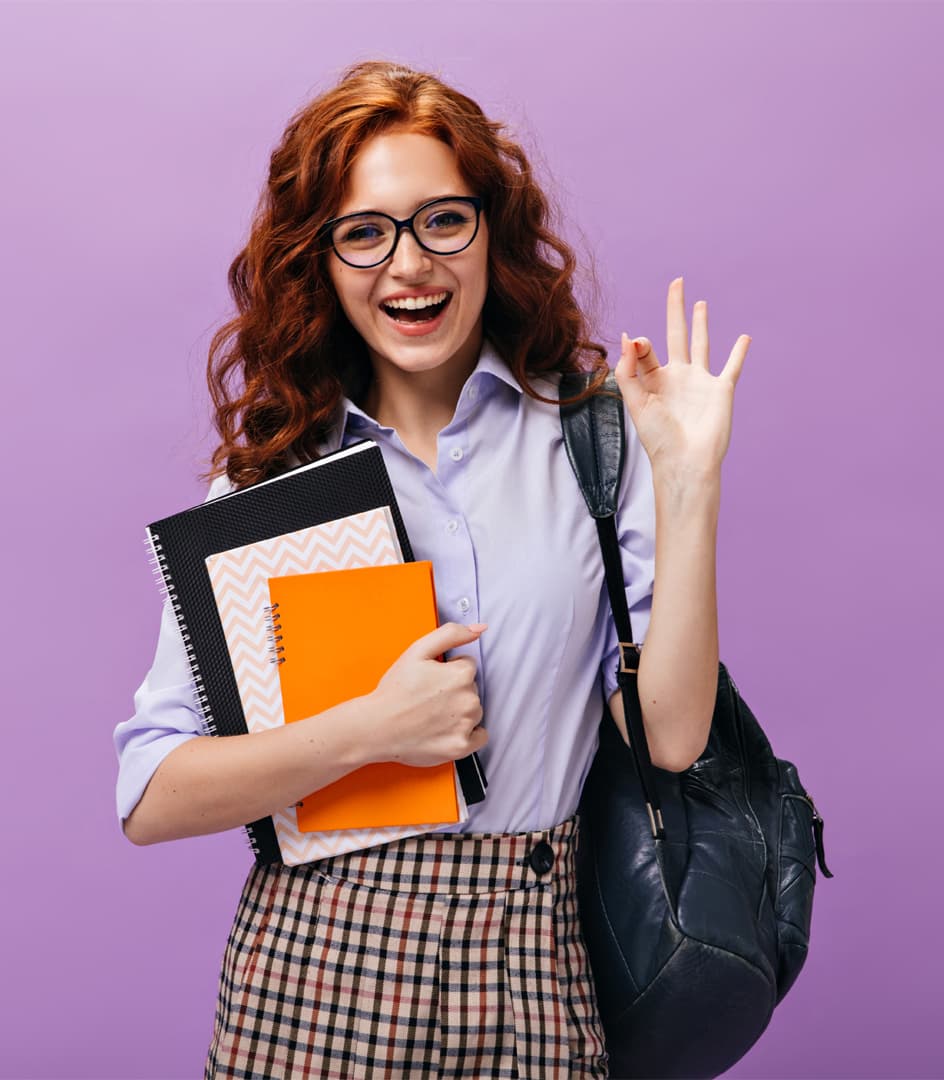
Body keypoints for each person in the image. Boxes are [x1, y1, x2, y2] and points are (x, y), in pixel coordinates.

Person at [114, 59, 750, 1079]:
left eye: (442, 220)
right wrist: (369, 731)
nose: (408, 264)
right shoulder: (271, 484)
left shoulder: (591, 441)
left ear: (492, 232)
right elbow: (151, 793)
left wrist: (689, 482)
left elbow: (668, 736)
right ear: (319, 261)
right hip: (317, 969)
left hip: (534, 963)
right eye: (364, 233)